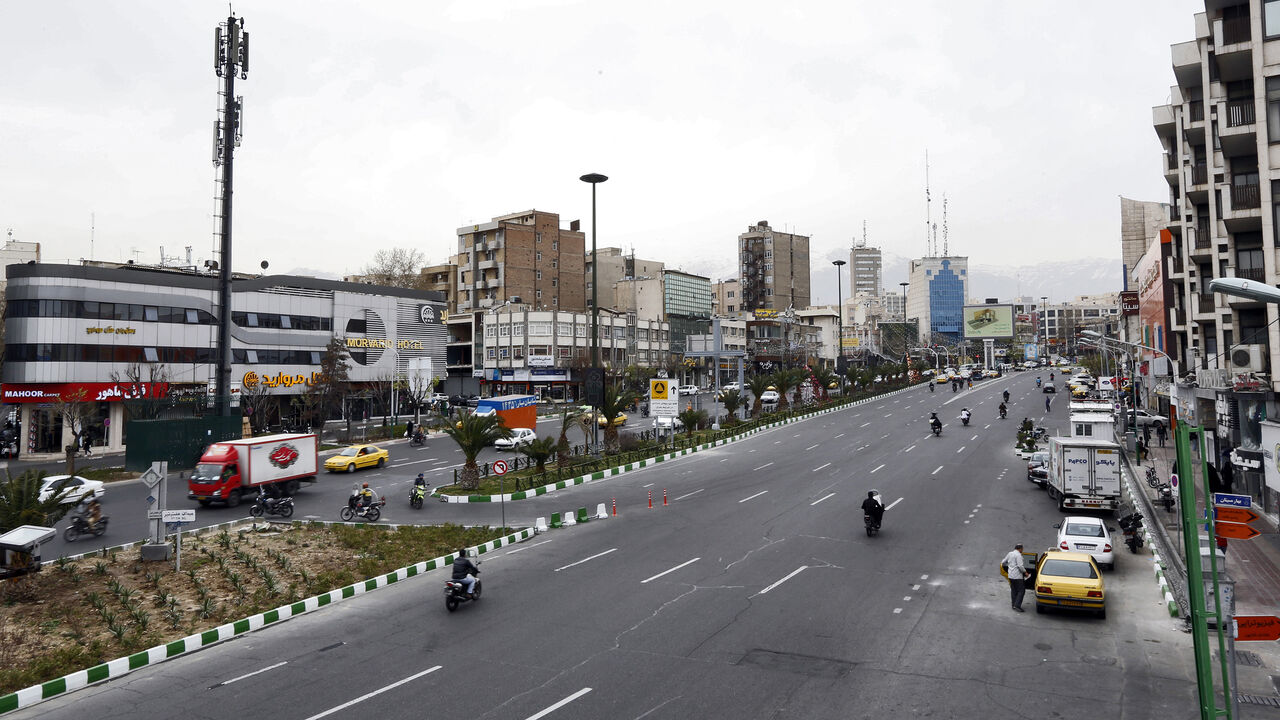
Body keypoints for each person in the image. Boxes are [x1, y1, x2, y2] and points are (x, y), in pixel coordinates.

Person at [1003, 543, 1030, 611]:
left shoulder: (1010, 554)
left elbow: (1003, 562)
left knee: (1013, 590)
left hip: (1010, 576)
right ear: (1020, 549)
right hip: (1017, 577)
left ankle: (1013, 605)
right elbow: (1020, 566)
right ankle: (1017, 605)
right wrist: (1025, 572)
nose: (1022, 550)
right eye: (1022, 549)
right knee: (1021, 590)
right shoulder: (1018, 555)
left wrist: (1009, 567)